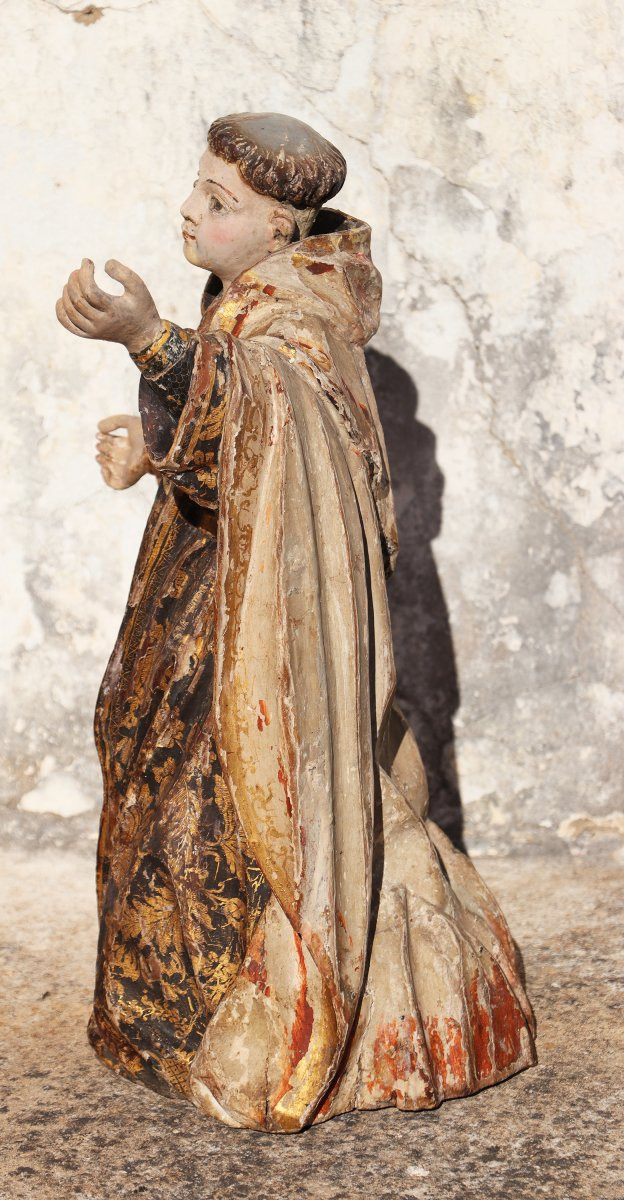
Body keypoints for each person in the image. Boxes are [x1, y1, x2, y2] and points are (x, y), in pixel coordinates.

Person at [55, 112, 536, 1132]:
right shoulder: (243, 299)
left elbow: (278, 417)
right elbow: (240, 451)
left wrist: (145, 339)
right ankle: (163, 1016)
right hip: (201, 600)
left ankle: (257, 1002)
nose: (189, 211)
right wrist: (154, 453)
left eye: (218, 204)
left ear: (280, 227)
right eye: (197, 187)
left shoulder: (300, 317)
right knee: (151, 776)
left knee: (218, 814)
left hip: (262, 644)